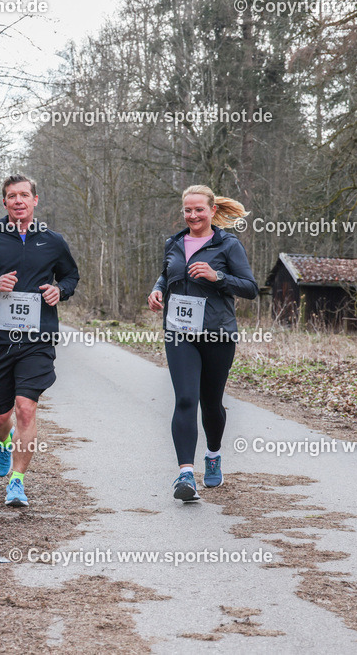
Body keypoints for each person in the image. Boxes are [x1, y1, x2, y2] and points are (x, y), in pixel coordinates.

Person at [0, 174, 80, 507]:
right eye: (12, 196)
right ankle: (4, 440)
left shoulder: (52, 241)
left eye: (24, 195)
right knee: (0, 416)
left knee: (26, 409)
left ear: (35, 200)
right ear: (5, 203)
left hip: (37, 338)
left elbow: (70, 275)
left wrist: (61, 290)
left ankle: (17, 481)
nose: (18, 201)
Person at [147, 185, 257, 501]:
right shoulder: (174, 243)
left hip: (217, 334)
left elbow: (250, 288)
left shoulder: (228, 245)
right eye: (188, 210)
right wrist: (156, 292)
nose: (193, 215)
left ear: (211, 211)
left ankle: (213, 454)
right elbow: (166, 276)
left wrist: (216, 276)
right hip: (179, 333)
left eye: (199, 210)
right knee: (185, 399)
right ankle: (185, 475)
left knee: (211, 405)